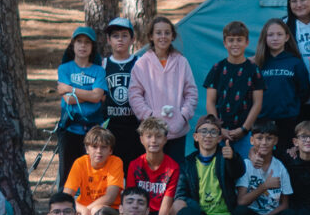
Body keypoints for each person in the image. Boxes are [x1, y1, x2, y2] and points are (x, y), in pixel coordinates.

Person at [128, 15, 198, 160]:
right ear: (151, 36)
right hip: (152, 132)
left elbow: (191, 93)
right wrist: (149, 116)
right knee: (154, 173)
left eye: (167, 33)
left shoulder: (181, 62)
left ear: (172, 36)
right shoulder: (142, 64)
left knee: (175, 173)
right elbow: (135, 95)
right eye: (158, 33)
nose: (163, 36)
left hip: (177, 131)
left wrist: (183, 115)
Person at [255, 18, 310, 147]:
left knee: (286, 155)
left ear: (287, 37)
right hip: (262, 121)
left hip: (289, 121)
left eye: (279, 34)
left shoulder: (295, 62)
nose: (275, 38)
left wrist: (291, 106)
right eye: (270, 35)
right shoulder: (258, 63)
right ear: (264, 38)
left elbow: (304, 91)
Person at [204, 20, 264, 158]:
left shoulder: (253, 70)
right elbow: (210, 102)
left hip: (246, 132)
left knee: (244, 168)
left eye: (239, 40)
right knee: (221, 171)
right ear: (225, 43)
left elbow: (257, 103)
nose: (235, 44)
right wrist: (218, 128)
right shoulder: (217, 69)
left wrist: (244, 129)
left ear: (247, 42)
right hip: (219, 133)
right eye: (231, 40)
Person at [174, 114, 243, 215]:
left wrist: (232, 158)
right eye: (204, 131)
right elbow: (181, 194)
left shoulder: (225, 156)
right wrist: (195, 208)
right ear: (195, 136)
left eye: (213, 132)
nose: (208, 136)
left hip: (224, 214)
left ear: (219, 138)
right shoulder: (187, 163)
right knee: (178, 205)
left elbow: (237, 172)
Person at [56, 26, 106, 187]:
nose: (83, 46)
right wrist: (90, 95)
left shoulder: (99, 71)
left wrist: (71, 89)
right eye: (79, 42)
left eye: (87, 43)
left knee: (91, 174)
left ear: (92, 47)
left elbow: (98, 96)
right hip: (70, 129)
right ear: (73, 45)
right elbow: (69, 100)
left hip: (93, 129)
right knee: (67, 174)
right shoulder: (65, 68)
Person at [235, 120, 296, 215]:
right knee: (239, 212)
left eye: (269, 138)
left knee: (289, 214)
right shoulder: (247, 166)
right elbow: (241, 202)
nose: (264, 142)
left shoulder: (280, 168)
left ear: (275, 141)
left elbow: (285, 204)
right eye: (259, 138)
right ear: (252, 140)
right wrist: (264, 186)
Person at [101, 18, 143, 171]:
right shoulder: (103, 64)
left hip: (134, 127)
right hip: (110, 127)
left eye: (125, 35)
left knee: (133, 171)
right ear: (108, 39)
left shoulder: (140, 63)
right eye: (115, 35)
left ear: (133, 39)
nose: (120, 39)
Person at [125, 117, 180, 215]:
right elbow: (130, 199)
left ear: (165, 139)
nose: (154, 140)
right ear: (141, 140)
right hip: (139, 211)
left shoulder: (173, 167)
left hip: (161, 214)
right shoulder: (134, 165)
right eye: (149, 136)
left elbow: (166, 203)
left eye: (158, 136)